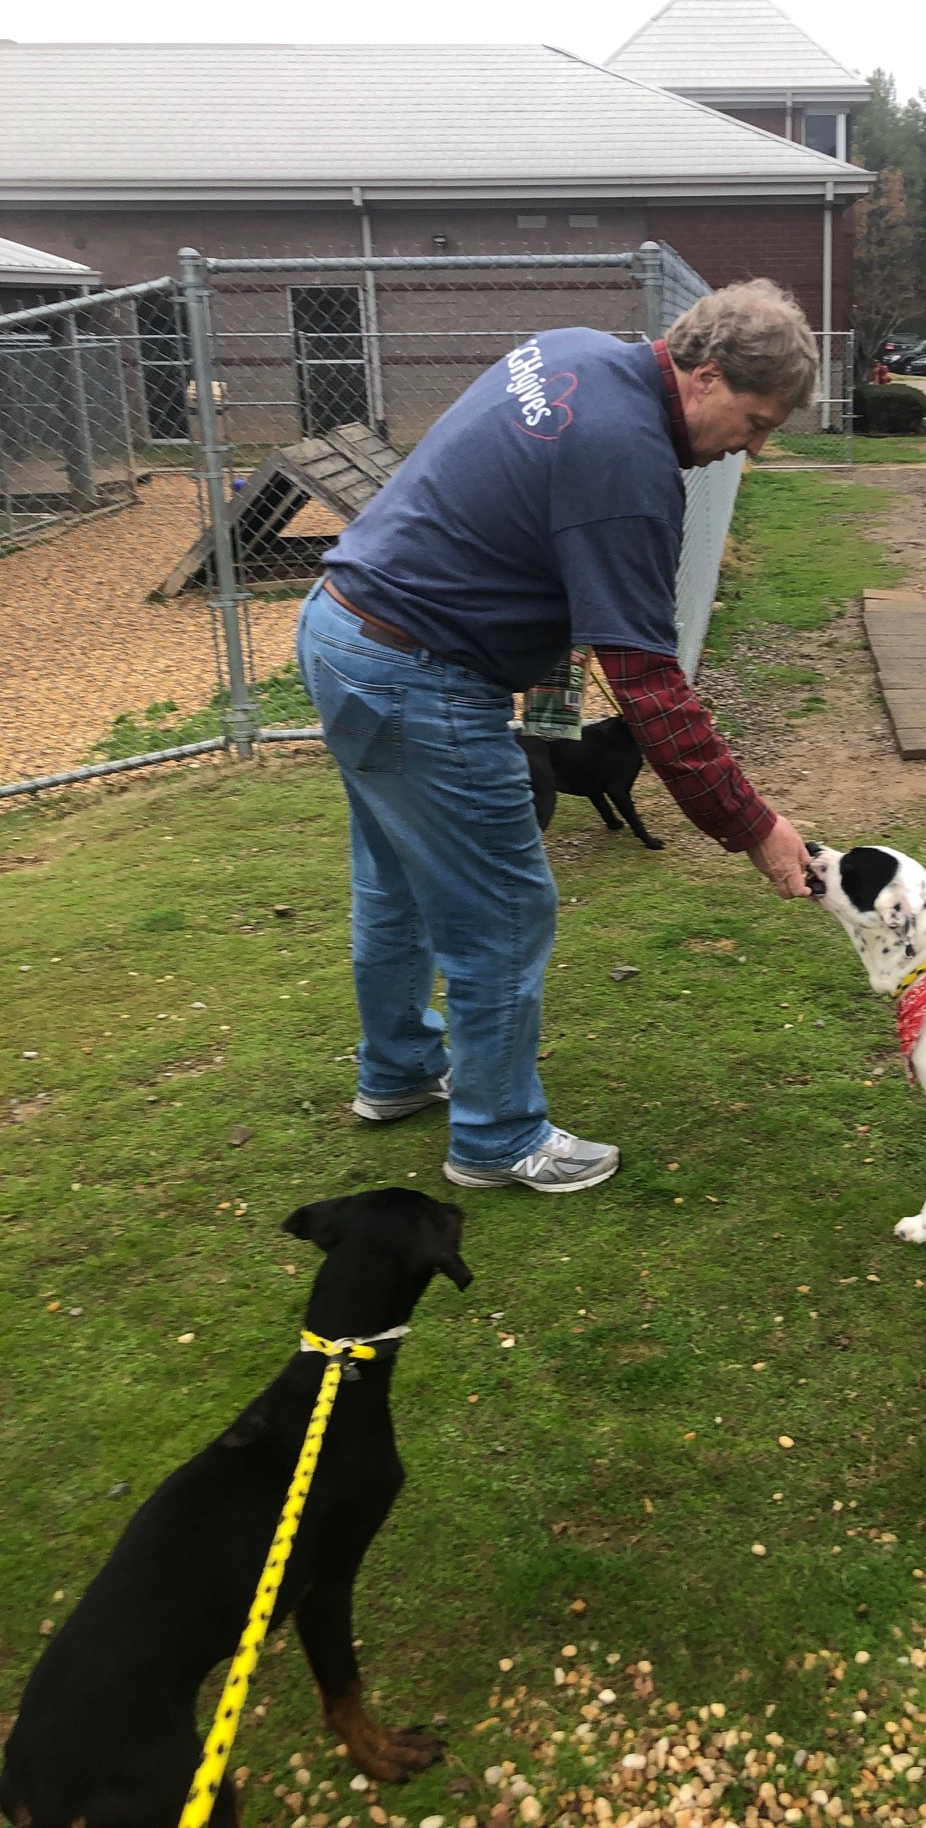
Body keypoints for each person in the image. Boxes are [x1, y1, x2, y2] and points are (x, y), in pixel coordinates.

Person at [296, 281, 817, 1196]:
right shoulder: (627, 463)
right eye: (755, 419)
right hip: (419, 672)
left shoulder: (575, 350)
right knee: (503, 904)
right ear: (703, 378)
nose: (754, 446)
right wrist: (754, 828)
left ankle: (400, 1072)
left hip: (343, 632)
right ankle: (496, 1136)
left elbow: (524, 543)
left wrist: (543, 706)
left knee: (395, 879)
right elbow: (651, 689)